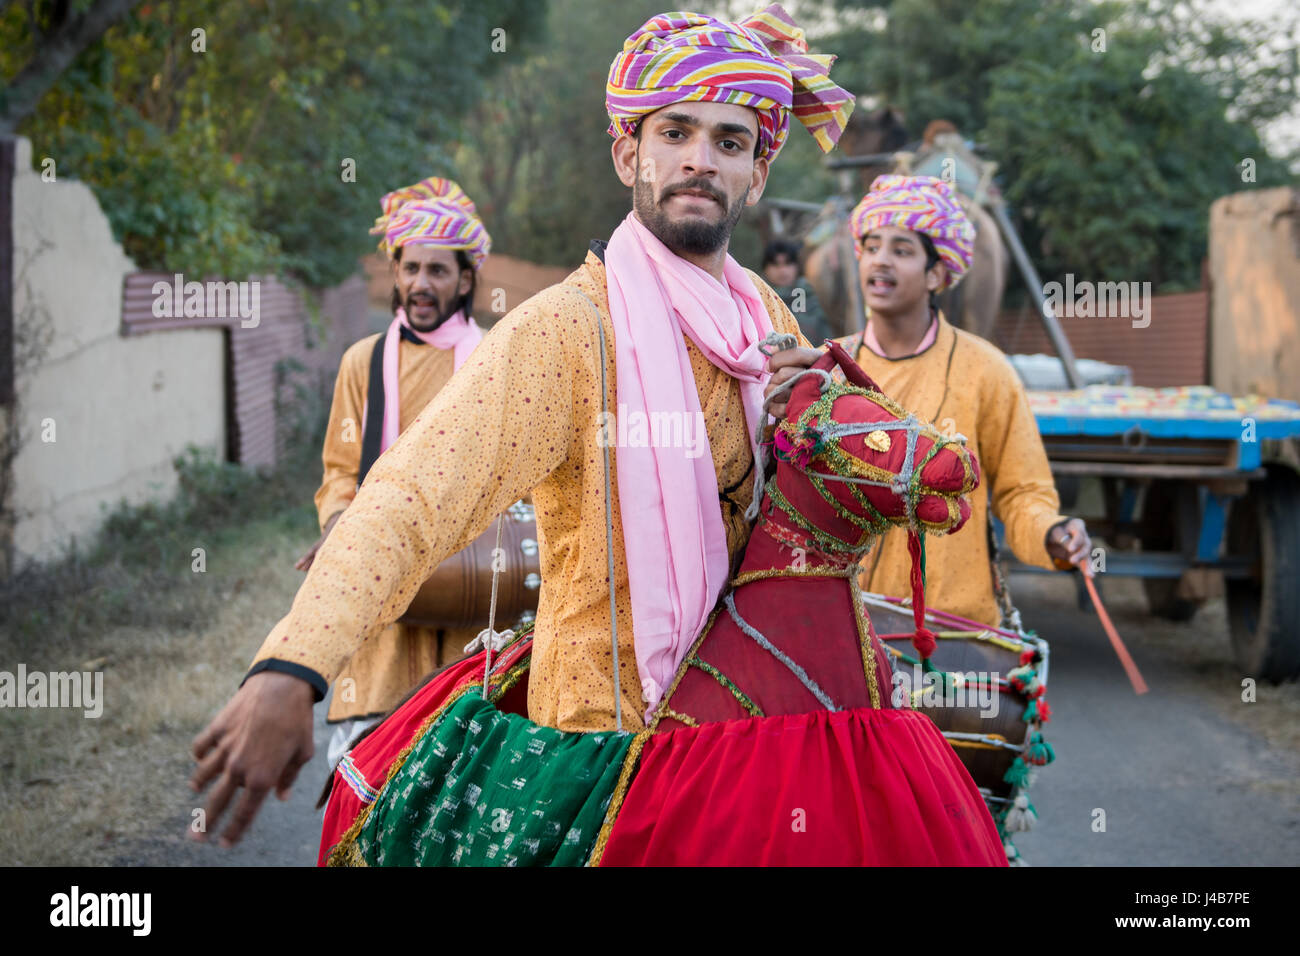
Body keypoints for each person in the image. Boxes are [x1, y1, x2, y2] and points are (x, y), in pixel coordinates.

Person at [190, 2, 848, 847]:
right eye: (675, 131)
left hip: (739, 744)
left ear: (757, 175)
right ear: (627, 154)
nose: (699, 159)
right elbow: (413, 495)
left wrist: (811, 431)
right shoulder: (569, 332)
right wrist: (293, 666)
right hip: (597, 753)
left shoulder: (762, 317)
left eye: (729, 142)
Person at [292, 178, 491, 767]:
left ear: (465, 278)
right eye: (411, 269)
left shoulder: (493, 358)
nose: (422, 284)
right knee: (363, 767)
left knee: (459, 767)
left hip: (469, 596)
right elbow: (338, 473)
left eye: (438, 270)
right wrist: (340, 523)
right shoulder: (363, 361)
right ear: (395, 273)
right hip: (382, 598)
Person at [835, 174, 1091, 625]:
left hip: (952, 629)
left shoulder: (986, 372)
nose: (881, 262)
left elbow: (1022, 492)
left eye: (902, 250)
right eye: (872, 246)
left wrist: (1051, 533)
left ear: (937, 273)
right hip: (842, 624)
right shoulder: (831, 369)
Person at [761, 237, 832, 344]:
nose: (782, 270)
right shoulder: (759, 298)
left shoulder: (805, 294)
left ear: (796, 267)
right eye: (776, 264)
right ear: (766, 268)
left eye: (787, 263)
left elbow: (821, 333)